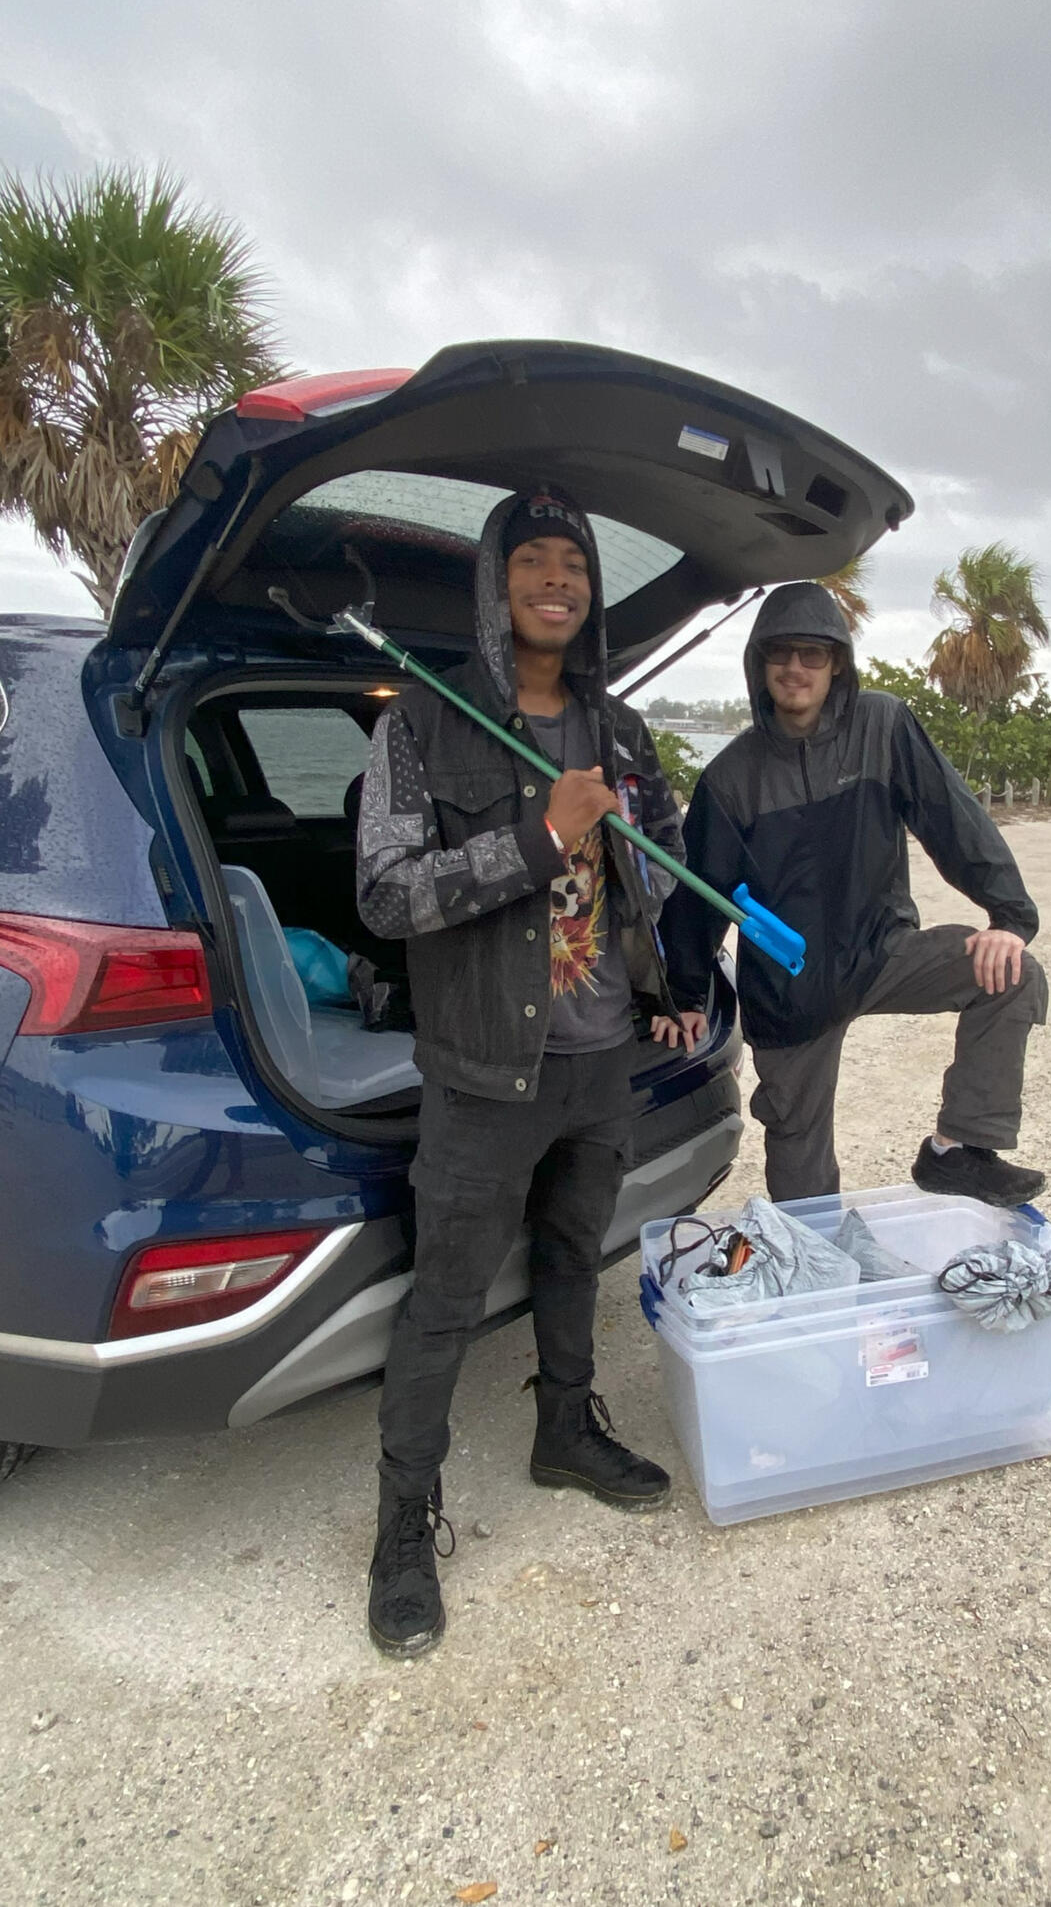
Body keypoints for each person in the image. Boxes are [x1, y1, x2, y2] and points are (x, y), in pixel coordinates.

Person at [356, 485, 695, 1658]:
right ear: (498, 585)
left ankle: (565, 1432)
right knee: (445, 1301)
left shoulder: (626, 731)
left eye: (576, 563)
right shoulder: (423, 725)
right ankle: (405, 1520)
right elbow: (386, 892)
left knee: (570, 1259)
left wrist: (669, 990)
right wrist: (537, 840)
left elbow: (658, 869)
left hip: (601, 1058)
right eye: (535, 560)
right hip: (484, 1067)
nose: (560, 579)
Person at [660, 579, 1049, 1209]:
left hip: (880, 950)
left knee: (1011, 973)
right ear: (760, 663)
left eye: (812, 653)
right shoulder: (730, 777)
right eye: (781, 652)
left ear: (837, 663)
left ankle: (959, 1151)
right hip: (790, 985)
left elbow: (951, 819)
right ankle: (815, 1269)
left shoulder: (883, 725)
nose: (795, 667)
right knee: (799, 1159)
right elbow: (697, 896)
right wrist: (683, 993)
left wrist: (1007, 914)